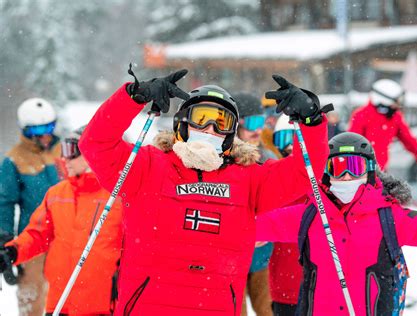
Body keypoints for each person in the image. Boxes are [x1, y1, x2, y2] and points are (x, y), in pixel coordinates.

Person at [78, 69, 331, 315]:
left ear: (231, 135)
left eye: (221, 122)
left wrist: (311, 121)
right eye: (201, 118)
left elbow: (304, 173)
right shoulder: (146, 167)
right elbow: (95, 143)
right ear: (183, 123)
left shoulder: (250, 180)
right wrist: (133, 96)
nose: (210, 129)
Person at [256, 132, 417, 315]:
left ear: (369, 170)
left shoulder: (389, 218)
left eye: (354, 166)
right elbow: (250, 228)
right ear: (326, 173)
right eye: (337, 167)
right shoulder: (310, 216)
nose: (347, 176)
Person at [0, 127, 124, 315]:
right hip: (59, 304)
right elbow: (38, 234)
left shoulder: (118, 197)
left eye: (72, 151)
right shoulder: (57, 193)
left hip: (100, 307)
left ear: (93, 153)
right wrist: (13, 251)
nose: (65, 159)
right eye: (63, 151)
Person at [0, 97, 61, 316]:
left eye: (50, 127)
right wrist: (4, 240)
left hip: (65, 236)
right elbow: (4, 202)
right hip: (33, 237)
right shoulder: (14, 160)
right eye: (39, 129)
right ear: (25, 130)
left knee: (66, 293)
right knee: (32, 294)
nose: (46, 134)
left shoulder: (65, 151)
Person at [233, 92, 275, 316]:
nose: (258, 130)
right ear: (236, 125)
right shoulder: (224, 163)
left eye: (262, 122)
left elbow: (282, 203)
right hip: (232, 257)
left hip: (262, 256)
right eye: (252, 123)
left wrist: (269, 227)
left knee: (267, 310)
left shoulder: (268, 160)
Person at [348, 79, 417, 171]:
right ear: (384, 100)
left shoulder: (395, 118)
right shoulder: (361, 116)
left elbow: (411, 143)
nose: (398, 106)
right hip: (360, 172)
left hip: (381, 172)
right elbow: (350, 145)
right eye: (395, 102)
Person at [268, 114, 303, 316]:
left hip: (318, 286)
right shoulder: (273, 174)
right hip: (284, 285)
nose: (289, 147)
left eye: (294, 140)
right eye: (283, 140)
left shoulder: (323, 180)